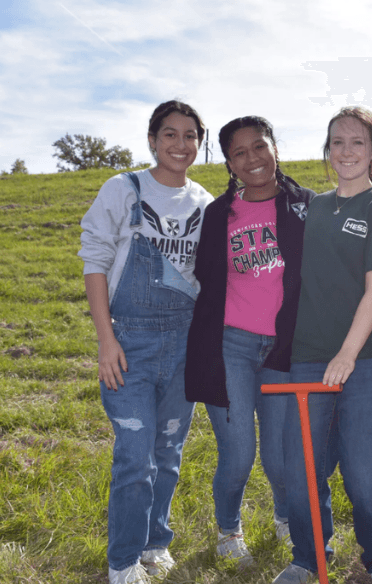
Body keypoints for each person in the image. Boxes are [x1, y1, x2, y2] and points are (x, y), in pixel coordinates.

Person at [79, 101, 214, 584]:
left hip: (184, 341)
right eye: (170, 135)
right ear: (153, 139)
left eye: (191, 136)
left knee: (168, 452)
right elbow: (94, 261)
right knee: (135, 454)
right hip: (129, 342)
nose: (181, 145)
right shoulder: (124, 189)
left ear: (201, 142)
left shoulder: (203, 201)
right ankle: (122, 562)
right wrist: (106, 340)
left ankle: (156, 543)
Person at [274, 107, 372, 584]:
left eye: (356, 142)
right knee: (303, 469)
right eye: (336, 142)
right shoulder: (314, 208)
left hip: (366, 360)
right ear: (327, 150)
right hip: (309, 357)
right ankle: (310, 558)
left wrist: (346, 355)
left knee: (367, 478)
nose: (345, 151)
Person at [185, 116, 315, 566]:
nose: (252, 159)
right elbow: (203, 277)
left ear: (274, 147)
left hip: (284, 349)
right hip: (231, 348)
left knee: (280, 460)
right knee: (238, 455)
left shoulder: (306, 206)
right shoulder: (219, 214)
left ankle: (284, 518)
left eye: (259, 146)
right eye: (239, 153)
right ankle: (227, 529)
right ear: (228, 163)